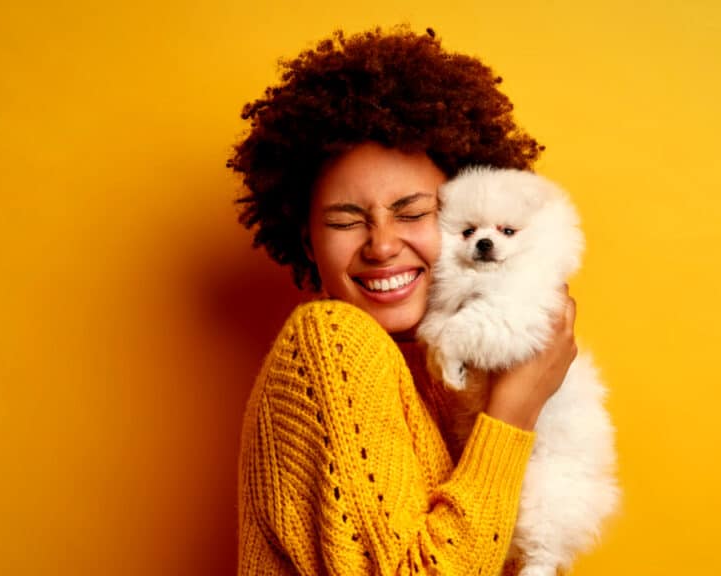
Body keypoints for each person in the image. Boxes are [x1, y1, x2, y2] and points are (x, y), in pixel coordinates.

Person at [228, 26, 579, 575]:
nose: (383, 245)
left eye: (415, 213)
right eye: (346, 221)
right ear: (307, 242)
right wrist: (514, 412)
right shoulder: (330, 341)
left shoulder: (447, 373)